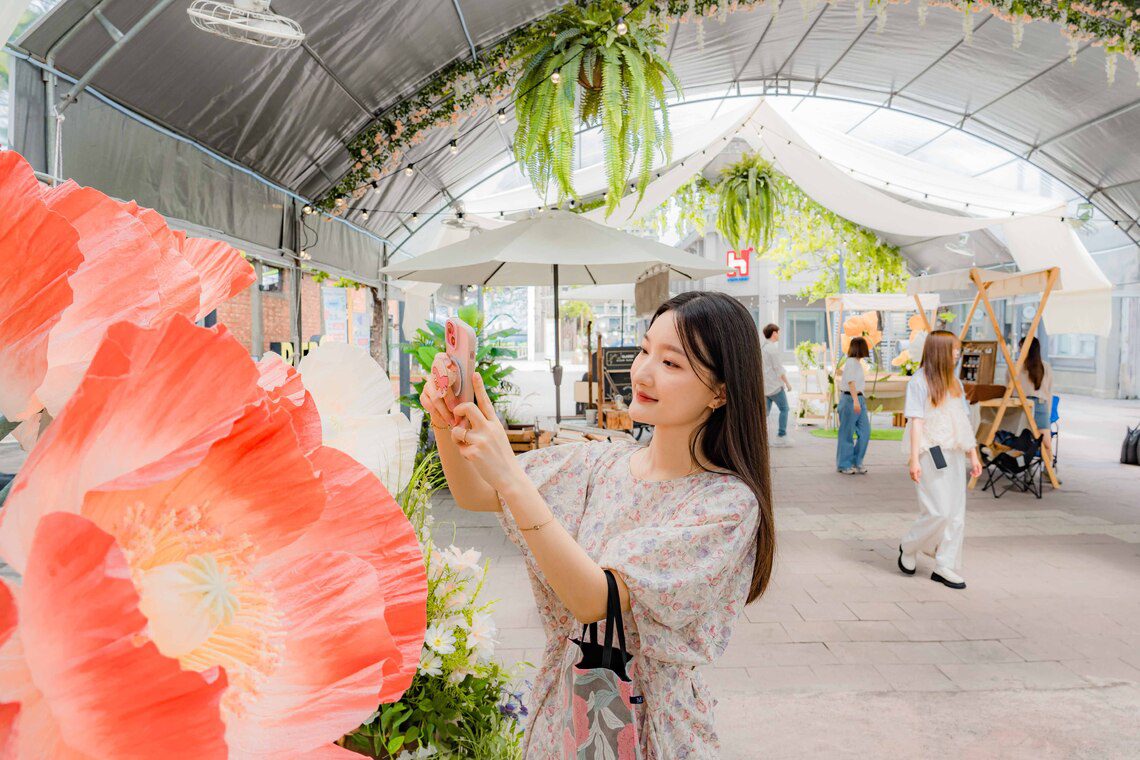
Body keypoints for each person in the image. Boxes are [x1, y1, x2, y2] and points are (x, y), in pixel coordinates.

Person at [421, 291, 773, 758]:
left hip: (649, 726)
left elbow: (595, 599)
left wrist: (510, 474)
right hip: (568, 710)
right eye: (646, 349)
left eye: (672, 363)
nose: (643, 372)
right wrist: (446, 420)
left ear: (721, 391)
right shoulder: (600, 462)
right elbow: (475, 493)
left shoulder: (725, 505)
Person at [898, 331, 984, 590]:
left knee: (956, 513)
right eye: (954, 349)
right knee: (938, 510)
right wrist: (914, 459)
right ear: (940, 351)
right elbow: (916, 423)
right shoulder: (919, 382)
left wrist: (973, 453)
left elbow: (962, 419)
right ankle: (910, 545)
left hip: (955, 450)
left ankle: (944, 564)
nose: (958, 353)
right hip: (932, 450)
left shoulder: (954, 382)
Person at [837, 337, 871, 474]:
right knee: (847, 433)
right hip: (850, 399)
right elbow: (851, 382)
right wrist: (856, 401)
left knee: (865, 432)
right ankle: (844, 465)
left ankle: (857, 461)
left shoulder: (857, 363)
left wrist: (859, 401)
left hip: (859, 399)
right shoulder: (851, 362)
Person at [1012, 336, 1053, 434]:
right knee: (1045, 444)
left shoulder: (1014, 366)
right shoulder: (1045, 366)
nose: (1019, 350)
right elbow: (1049, 392)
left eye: (1021, 347)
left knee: (1021, 441)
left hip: (1022, 406)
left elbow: (1009, 389)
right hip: (1035, 405)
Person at [761, 323, 793, 446]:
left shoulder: (763, 347)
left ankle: (761, 437)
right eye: (778, 332)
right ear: (774, 333)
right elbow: (778, 369)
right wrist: (788, 384)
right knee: (785, 409)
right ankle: (781, 435)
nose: (779, 335)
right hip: (775, 386)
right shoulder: (772, 349)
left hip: (765, 386)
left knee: (765, 414)